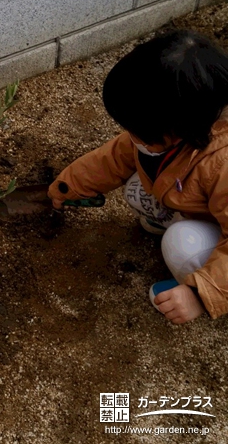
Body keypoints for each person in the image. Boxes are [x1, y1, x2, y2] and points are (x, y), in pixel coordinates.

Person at [47, 29, 228, 324]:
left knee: (180, 246)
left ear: (179, 128)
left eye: (139, 131)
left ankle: (197, 285)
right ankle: (176, 222)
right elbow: (112, 159)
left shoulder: (222, 161)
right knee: (136, 187)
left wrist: (199, 294)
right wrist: (67, 188)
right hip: (198, 204)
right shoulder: (176, 126)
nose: (131, 137)